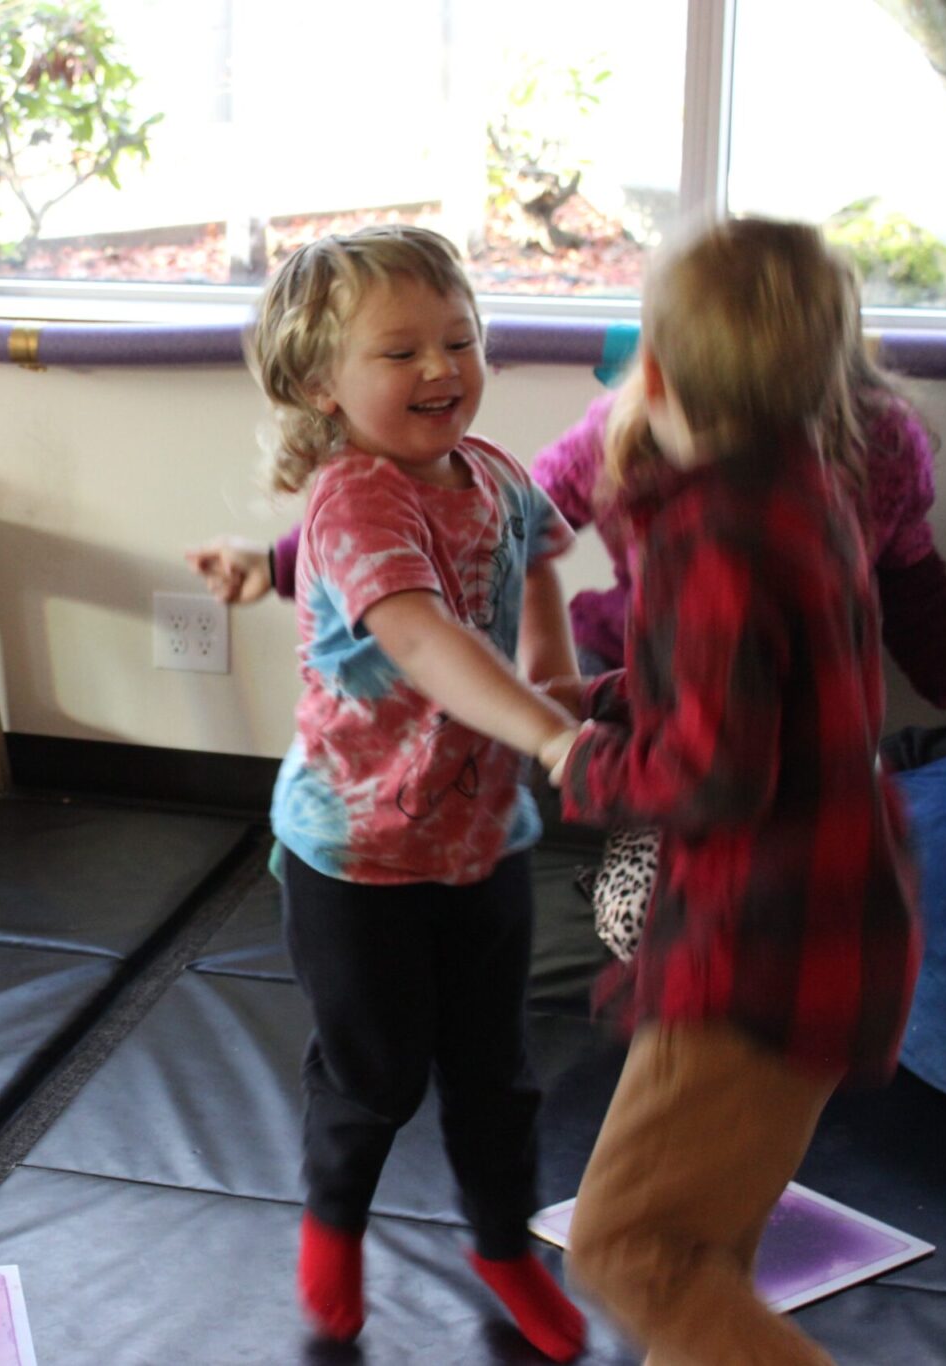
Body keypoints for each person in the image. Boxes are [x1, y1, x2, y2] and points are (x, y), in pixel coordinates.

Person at [538, 218, 921, 1365]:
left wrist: (575, 757)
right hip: (835, 925)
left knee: (628, 1249)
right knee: (703, 1254)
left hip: (754, 951)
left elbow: (709, 773)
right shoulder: (806, 494)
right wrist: (609, 694)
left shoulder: (709, 536)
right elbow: (771, 689)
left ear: (646, 376)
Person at [247, 225, 586, 1359]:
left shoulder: (491, 471)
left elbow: (533, 550)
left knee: (496, 1072)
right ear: (318, 385)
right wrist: (543, 728)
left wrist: (550, 667)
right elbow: (423, 638)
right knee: (374, 1071)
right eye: (399, 353)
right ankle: (333, 1218)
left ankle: (499, 1242)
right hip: (355, 855)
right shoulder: (353, 504)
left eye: (459, 339)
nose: (441, 369)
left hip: (480, 841)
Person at [192, 297, 946, 730]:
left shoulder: (875, 447)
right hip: (645, 673)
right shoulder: (629, 429)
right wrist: (278, 562)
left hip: (788, 693)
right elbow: (493, 517)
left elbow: (917, 589)